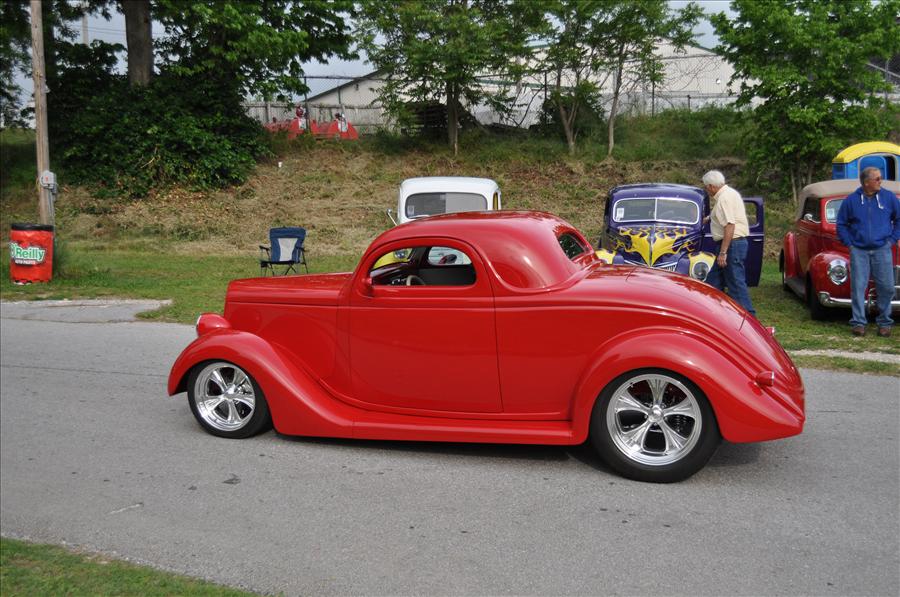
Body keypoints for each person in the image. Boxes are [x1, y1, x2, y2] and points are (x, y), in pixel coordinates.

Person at [836, 166, 900, 338]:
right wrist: (850, 244)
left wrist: (892, 240)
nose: (880, 181)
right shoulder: (851, 200)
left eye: (880, 178)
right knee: (858, 287)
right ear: (866, 182)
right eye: (877, 179)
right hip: (859, 250)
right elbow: (841, 224)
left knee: (886, 287)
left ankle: (884, 323)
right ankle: (858, 323)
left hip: (882, 249)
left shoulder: (888, 198)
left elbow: (899, 219)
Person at [701, 170, 755, 315]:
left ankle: (749, 317)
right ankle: (714, 313)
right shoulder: (729, 193)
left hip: (732, 245)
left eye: (706, 187)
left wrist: (723, 252)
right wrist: (708, 218)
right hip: (731, 244)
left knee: (735, 283)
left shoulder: (724, 199)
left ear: (711, 186)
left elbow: (730, 225)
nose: (707, 190)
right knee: (713, 282)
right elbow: (722, 214)